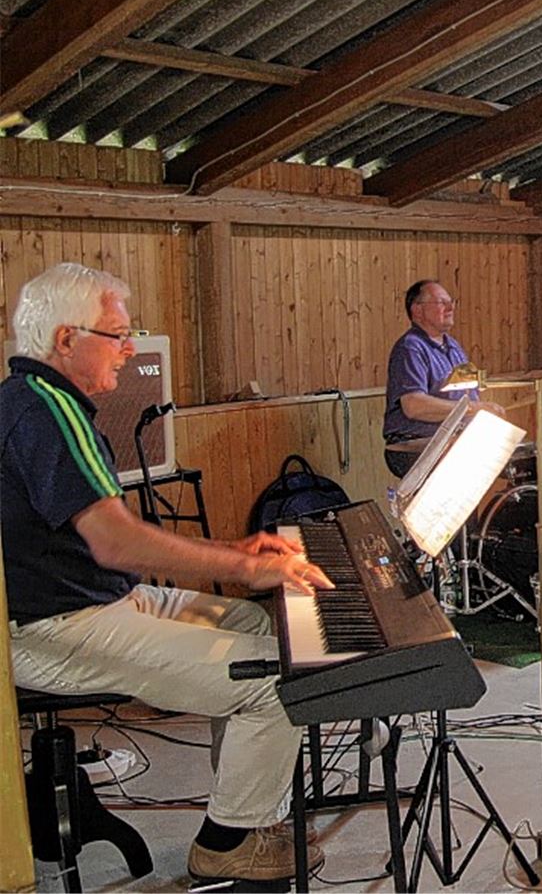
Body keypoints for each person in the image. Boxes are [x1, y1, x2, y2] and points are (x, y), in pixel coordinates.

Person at [2, 263, 334, 884]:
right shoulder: (47, 411)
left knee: (250, 623)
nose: (130, 349)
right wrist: (244, 565)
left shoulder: (33, 400)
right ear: (66, 340)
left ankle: (247, 802)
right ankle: (226, 842)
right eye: (118, 334)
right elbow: (115, 543)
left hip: (97, 599)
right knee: (280, 679)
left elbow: (107, 541)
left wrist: (236, 547)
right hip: (55, 627)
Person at [383, 279, 504, 478]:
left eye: (451, 302)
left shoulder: (454, 348)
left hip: (452, 438)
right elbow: (413, 405)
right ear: (418, 310)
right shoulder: (410, 348)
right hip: (415, 443)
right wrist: (472, 408)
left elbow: (471, 396)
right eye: (441, 302)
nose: (450, 308)